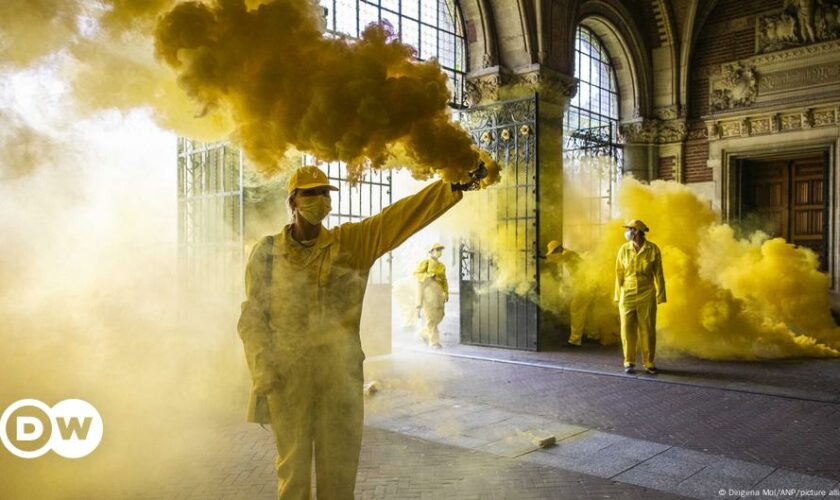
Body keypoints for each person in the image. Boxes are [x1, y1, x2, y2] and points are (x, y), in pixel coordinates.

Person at [237, 164, 485, 499]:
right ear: (293, 201)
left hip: (339, 382)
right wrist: (262, 368)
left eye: (325, 193)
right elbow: (252, 316)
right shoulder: (267, 254)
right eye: (311, 193)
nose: (321, 200)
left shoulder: (350, 244)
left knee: (339, 480)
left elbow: (397, 218)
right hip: (288, 381)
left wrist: (452, 185)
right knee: (293, 477)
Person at [614, 220, 666, 375]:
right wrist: (617, 295)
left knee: (648, 329)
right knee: (627, 328)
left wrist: (661, 294)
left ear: (638, 231)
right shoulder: (624, 249)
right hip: (627, 293)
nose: (628, 232)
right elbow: (619, 273)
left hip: (646, 292)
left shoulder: (653, 249)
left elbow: (659, 273)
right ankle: (628, 361)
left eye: (630, 229)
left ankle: (649, 362)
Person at [544, 240, 588, 347]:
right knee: (587, 310)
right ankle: (592, 335)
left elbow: (556, 258)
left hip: (585, 285)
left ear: (559, 249)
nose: (553, 255)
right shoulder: (568, 254)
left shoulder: (567, 254)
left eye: (553, 252)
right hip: (586, 284)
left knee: (576, 309)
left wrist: (541, 257)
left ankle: (575, 340)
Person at [415, 243, 448, 348]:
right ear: (431, 251)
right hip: (428, 295)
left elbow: (444, 281)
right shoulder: (426, 262)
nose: (439, 252)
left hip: (439, 295)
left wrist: (446, 293)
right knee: (431, 319)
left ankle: (424, 333)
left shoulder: (442, 266)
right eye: (437, 250)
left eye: (440, 250)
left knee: (440, 316)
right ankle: (434, 342)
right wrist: (429, 275)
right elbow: (417, 274)